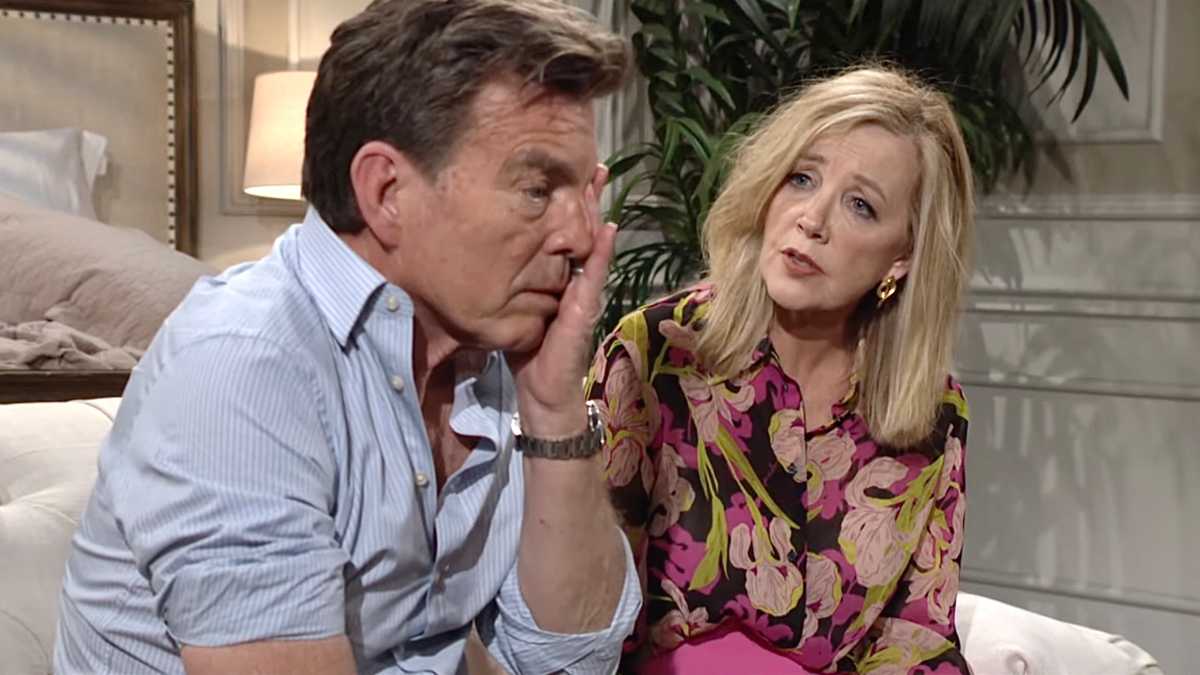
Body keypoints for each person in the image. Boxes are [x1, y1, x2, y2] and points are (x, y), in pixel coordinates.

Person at [54, 1, 641, 673]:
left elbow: (574, 659)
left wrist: (554, 411)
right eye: (537, 190)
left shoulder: (493, 348)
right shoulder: (242, 364)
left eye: (584, 195)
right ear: (386, 191)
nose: (580, 237)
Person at [587, 66, 976, 674]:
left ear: (901, 257)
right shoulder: (656, 353)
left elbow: (919, 639)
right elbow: (581, 612)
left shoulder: (932, 411)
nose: (812, 219)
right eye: (801, 178)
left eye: (860, 206)